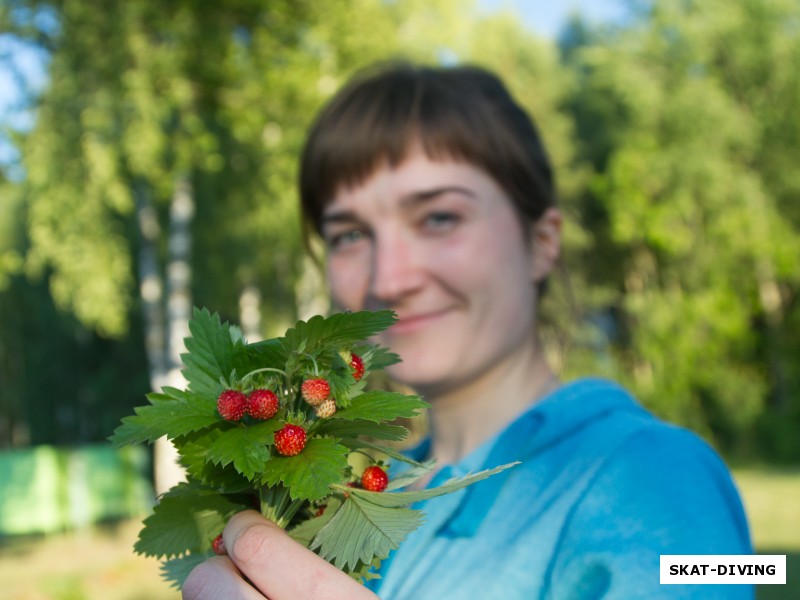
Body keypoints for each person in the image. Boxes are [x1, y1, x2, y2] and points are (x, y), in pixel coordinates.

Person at [183, 62, 753, 599]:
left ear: (541, 243)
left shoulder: (659, 480)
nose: (390, 278)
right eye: (349, 235)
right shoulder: (366, 496)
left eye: (438, 217)